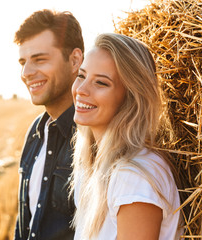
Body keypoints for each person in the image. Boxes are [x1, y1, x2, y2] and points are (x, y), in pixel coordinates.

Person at [71, 33, 182, 240]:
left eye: (101, 83)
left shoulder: (135, 176)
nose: (81, 90)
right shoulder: (91, 168)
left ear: (130, 97)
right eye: (81, 76)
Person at [13, 9, 84, 240]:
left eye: (39, 59)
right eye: (23, 62)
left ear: (75, 60)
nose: (27, 73)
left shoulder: (94, 136)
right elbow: (25, 222)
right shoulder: (34, 133)